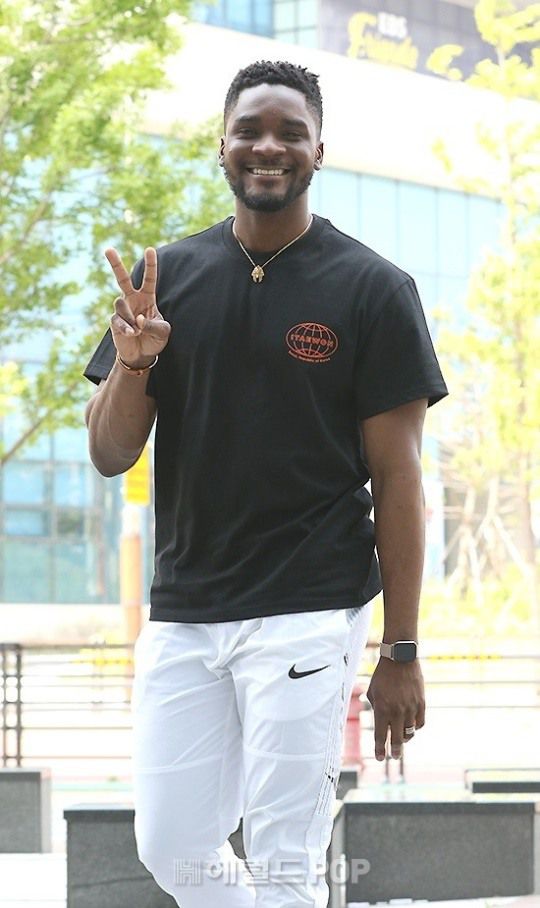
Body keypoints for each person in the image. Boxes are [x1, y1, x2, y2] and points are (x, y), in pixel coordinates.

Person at [84, 60, 448, 908]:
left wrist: (400, 649)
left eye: (291, 132)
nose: (268, 147)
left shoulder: (374, 289)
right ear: (222, 146)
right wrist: (135, 364)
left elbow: (399, 481)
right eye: (249, 130)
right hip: (186, 608)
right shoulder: (166, 282)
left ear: (320, 149)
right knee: (171, 846)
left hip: (309, 609)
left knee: (287, 856)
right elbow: (108, 454)